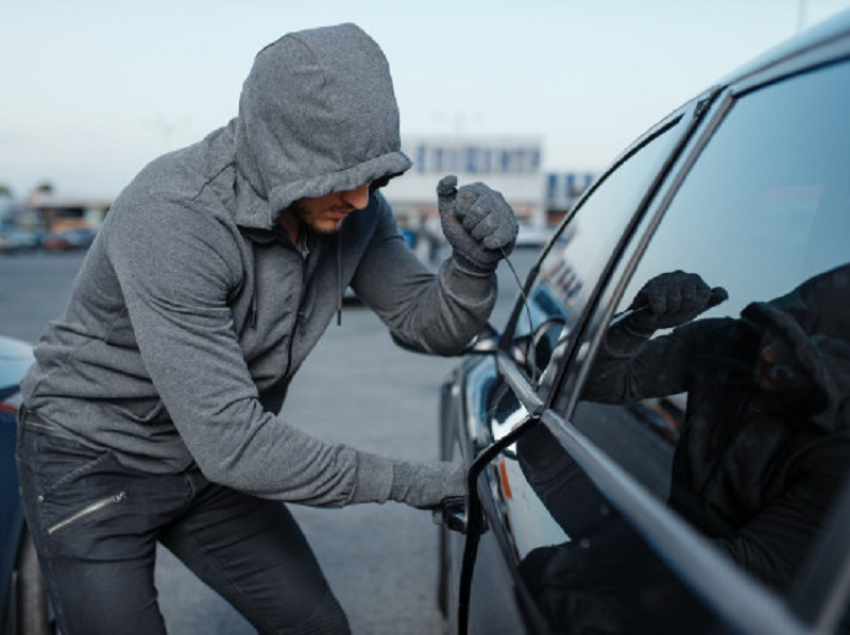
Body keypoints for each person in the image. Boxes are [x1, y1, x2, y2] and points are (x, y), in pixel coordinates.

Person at [15, 23, 518, 635]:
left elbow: (429, 327)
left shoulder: (352, 209)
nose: (360, 199)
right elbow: (236, 443)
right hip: (92, 455)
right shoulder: (173, 216)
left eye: (373, 177)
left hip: (207, 462)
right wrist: (416, 482)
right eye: (340, 177)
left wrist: (470, 266)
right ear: (284, 154)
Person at [517, 266, 850, 633]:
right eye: (778, 328)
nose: (769, 353)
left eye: (799, 356)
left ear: (835, 377)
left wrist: (595, 542)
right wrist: (637, 323)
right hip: (654, 569)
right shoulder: (728, 344)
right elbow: (597, 383)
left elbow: (743, 574)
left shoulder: (837, 458)